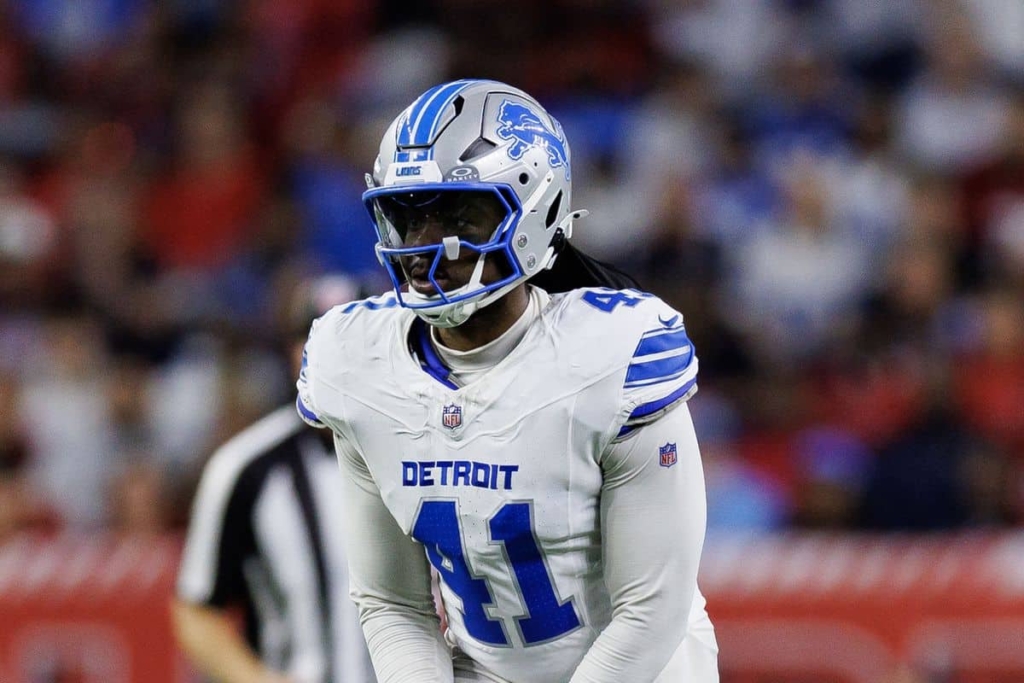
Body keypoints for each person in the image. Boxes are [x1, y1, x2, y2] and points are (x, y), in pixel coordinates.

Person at [297, 79, 718, 683]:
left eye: (455, 214)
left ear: (535, 210)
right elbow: (393, 604)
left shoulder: (611, 355)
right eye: (407, 215)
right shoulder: (355, 364)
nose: (421, 249)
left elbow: (651, 610)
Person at [174, 275, 376, 683]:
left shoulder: (426, 453)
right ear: (290, 352)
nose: (331, 358)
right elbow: (196, 607)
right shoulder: (247, 468)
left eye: (348, 340)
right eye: (312, 340)